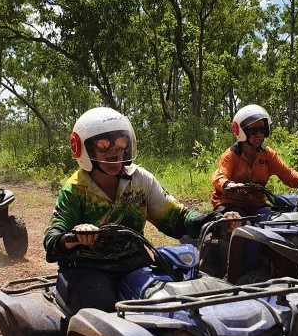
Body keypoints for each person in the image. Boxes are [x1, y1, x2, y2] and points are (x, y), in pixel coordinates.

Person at [44, 107, 240, 313]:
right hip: (88, 269)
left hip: (134, 264)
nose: (114, 152)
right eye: (103, 145)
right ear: (85, 149)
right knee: (103, 313)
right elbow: (52, 238)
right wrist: (75, 237)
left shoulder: (140, 180)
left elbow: (177, 218)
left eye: (121, 143)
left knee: (173, 301)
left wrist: (215, 220)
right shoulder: (75, 189)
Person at [211, 104, 298, 215]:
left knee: (281, 220)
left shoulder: (268, 154)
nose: (259, 134)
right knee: (235, 221)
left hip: (256, 205)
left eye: (262, 130)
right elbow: (219, 177)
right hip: (230, 204)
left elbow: (288, 175)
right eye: (254, 131)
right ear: (242, 132)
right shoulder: (231, 154)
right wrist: (229, 184)